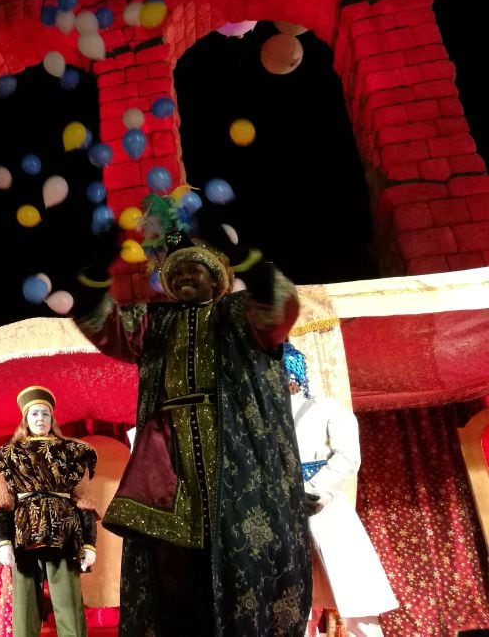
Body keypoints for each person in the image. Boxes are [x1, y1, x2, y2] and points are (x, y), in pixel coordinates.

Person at [71, 205, 311, 636]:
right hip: (168, 465)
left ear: (216, 280)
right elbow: (104, 325)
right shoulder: (153, 322)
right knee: (174, 570)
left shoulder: (237, 314)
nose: (183, 278)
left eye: (194, 272)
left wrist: (247, 259)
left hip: (236, 462)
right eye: (176, 274)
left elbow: (278, 308)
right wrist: (93, 272)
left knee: (239, 559)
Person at [284, 343, 398, 637]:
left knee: (356, 602)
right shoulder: (262, 421)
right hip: (282, 511)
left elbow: (348, 456)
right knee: (293, 603)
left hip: (323, 506)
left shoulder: (329, 409)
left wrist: (315, 489)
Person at [0, 386, 97, 637]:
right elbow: (2, 501)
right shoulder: (8, 455)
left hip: (65, 534)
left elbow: (84, 499)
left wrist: (90, 544)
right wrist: (3, 541)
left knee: (69, 606)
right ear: (26, 419)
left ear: (52, 419)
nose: (40, 418)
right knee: (25, 608)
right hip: (23, 534)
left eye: (46, 414)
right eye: (35, 414)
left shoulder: (73, 453)